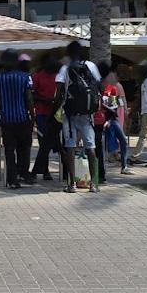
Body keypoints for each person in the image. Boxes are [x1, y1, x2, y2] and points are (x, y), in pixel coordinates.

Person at [53, 41, 102, 193]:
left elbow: (60, 92)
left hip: (70, 113)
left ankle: (71, 184)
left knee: (70, 146)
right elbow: (100, 86)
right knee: (91, 147)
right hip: (88, 114)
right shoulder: (91, 66)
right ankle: (93, 184)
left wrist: (53, 112)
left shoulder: (65, 68)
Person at [0, 49, 35, 189]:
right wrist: (32, 116)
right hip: (22, 118)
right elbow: (28, 98)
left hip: (7, 119)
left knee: (9, 150)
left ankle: (12, 179)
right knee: (24, 148)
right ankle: (23, 173)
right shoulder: (25, 77)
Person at [30, 53, 61, 180]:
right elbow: (32, 95)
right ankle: (43, 171)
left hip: (55, 115)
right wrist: (46, 100)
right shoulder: (37, 77)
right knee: (44, 144)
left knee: (51, 144)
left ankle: (43, 171)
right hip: (42, 113)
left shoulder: (58, 77)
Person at [98, 62, 131, 175]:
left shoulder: (113, 87)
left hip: (111, 118)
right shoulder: (98, 85)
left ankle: (124, 165)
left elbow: (112, 103)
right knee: (100, 144)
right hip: (100, 118)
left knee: (122, 140)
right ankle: (101, 170)